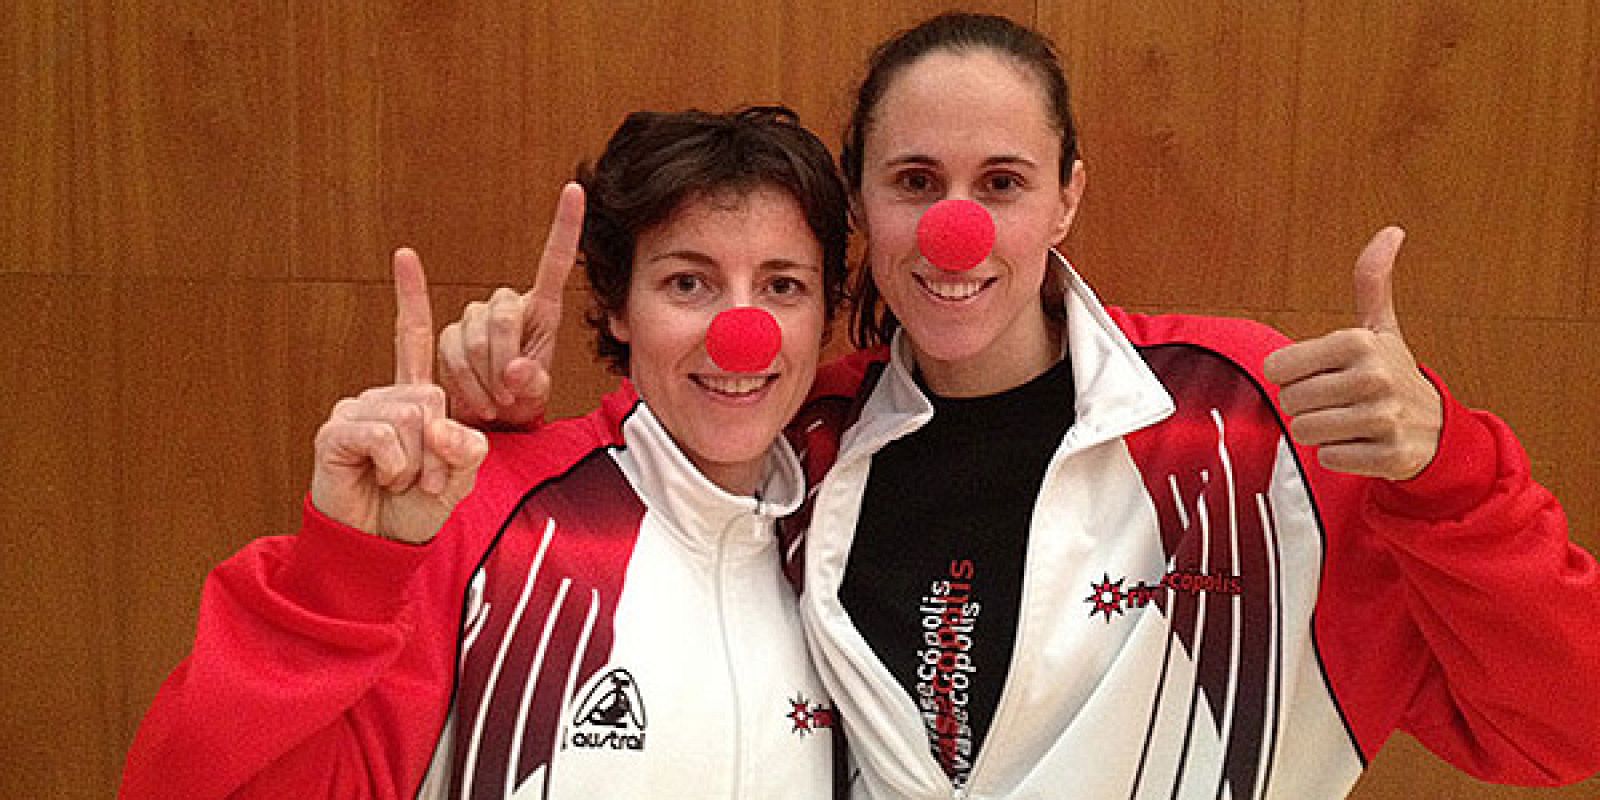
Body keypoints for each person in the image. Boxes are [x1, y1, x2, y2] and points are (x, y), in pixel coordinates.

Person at [436, 13, 1600, 800]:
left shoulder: (1247, 426)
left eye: (1001, 183)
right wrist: (496, 421)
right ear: (864, 210)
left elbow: (1561, 726)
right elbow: (647, 481)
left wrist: (1449, 474)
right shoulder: (801, 439)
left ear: (1066, 198)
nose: (957, 230)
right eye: (913, 183)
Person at [120, 105, 851, 799]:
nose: (740, 331)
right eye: (687, 282)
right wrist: (342, 570)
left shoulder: (845, 522)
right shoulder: (483, 511)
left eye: (782, 285)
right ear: (620, 307)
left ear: (823, 316)